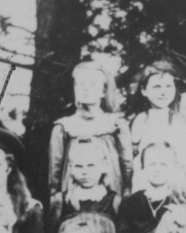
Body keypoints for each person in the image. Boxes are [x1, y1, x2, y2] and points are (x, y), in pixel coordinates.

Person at [49, 60, 133, 198]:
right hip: (72, 195)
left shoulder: (115, 124)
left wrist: (127, 190)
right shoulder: (64, 127)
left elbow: (127, 164)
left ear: (103, 91)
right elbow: (55, 171)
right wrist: (55, 195)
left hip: (110, 195)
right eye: (80, 84)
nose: (85, 89)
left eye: (92, 84)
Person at [45, 138, 122, 233]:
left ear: (104, 166)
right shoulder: (61, 200)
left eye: (91, 165)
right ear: (70, 168)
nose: (84, 172)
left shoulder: (114, 201)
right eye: (79, 166)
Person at [128, 60, 186, 192]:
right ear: (144, 91)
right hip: (143, 184)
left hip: (172, 186)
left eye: (168, 86)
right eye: (157, 87)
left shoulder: (179, 122)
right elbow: (133, 157)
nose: (163, 92)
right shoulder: (140, 120)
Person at [117, 142, 179, 233]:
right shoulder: (131, 202)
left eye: (163, 164)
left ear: (173, 167)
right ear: (142, 167)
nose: (157, 169)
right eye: (151, 164)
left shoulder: (178, 201)